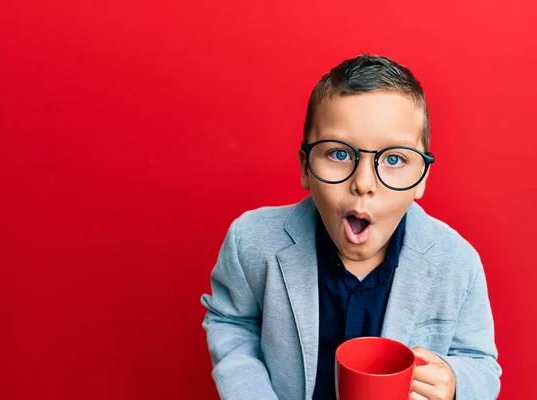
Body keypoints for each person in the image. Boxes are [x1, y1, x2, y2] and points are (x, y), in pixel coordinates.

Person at [201, 54, 501, 400]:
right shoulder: (251, 242)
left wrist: (455, 383)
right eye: (339, 154)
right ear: (305, 167)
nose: (363, 183)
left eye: (394, 159)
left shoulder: (457, 263)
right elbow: (231, 323)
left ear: (422, 179)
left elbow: (480, 362)